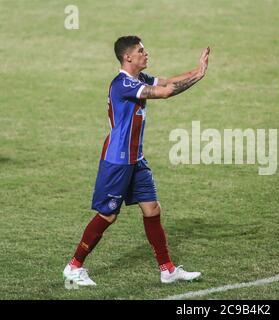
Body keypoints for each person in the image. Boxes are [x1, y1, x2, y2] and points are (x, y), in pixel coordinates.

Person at [63, 35, 210, 286]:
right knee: (108, 215)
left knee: (152, 209)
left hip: (136, 159)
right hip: (118, 161)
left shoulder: (138, 79)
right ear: (128, 57)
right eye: (141, 50)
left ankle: (167, 270)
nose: (146, 53)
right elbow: (164, 92)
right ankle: (74, 266)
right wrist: (198, 77)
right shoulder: (122, 85)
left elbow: (168, 80)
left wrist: (198, 69)